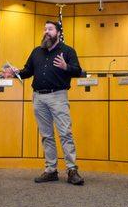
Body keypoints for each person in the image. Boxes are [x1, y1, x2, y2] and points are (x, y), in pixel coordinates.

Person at [10, 20, 85, 185]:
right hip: (38, 98)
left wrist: (66, 67)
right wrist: (16, 73)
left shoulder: (67, 51)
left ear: (58, 32)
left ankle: (72, 170)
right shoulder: (37, 51)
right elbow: (27, 71)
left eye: (50, 29)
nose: (46, 31)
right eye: (45, 29)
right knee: (46, 135)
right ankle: (51, 170)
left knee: (65, 133)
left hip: (58, 96)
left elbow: (78, 71)